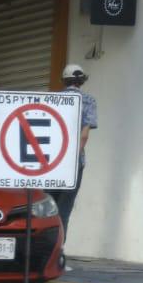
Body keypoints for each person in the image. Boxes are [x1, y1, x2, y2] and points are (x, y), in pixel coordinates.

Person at [50, 63, 97, 236]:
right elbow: (84, 136)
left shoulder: (53, 99)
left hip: (52, 161)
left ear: (64, 80)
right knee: (65, 209)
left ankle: (45, 248)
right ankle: (59, 250)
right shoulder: (89, 101)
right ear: (81, 81)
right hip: (74, 160)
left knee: (48, 206)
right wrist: (72, 157)